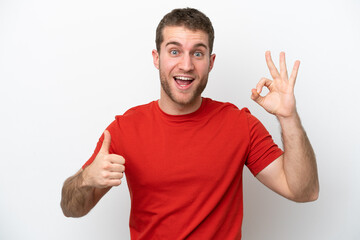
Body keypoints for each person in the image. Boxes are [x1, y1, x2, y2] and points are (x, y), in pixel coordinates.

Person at [61, 7, 319, 239]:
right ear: (156, 58)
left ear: (211, 62)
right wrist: (86, 179)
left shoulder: (240, 124)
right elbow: (71, 208)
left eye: (197, 53)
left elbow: (303, 191)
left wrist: (288, 117)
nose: (186, 65)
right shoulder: (124, 129)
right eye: (174, 51)